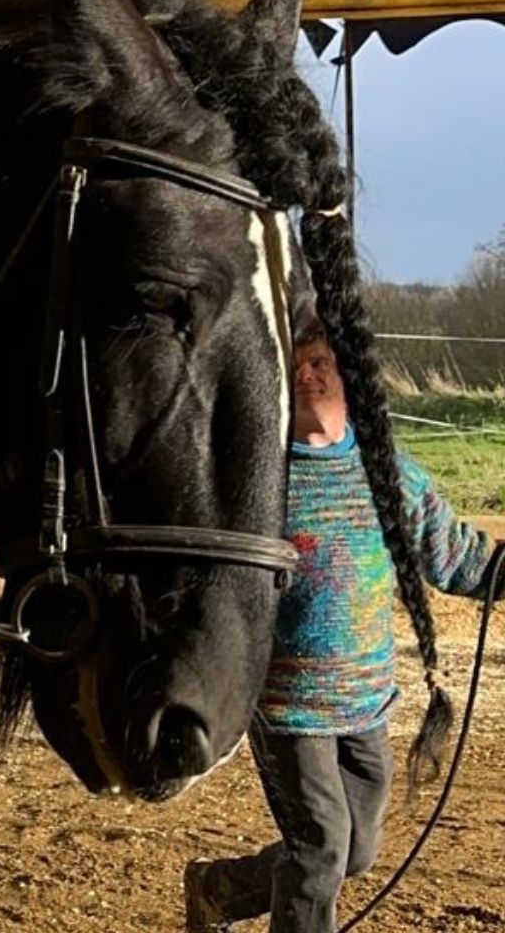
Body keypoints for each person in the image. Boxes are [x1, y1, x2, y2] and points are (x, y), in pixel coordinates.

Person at [183, 325, 495, 932]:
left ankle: (219, 889)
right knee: (321, 850)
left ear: (352, 379)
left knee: (357, 852)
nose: (307, 375)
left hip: (366, 700)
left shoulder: (392, 477)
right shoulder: (251, 484)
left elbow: (457, 557)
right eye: (295, 365)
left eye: (321, 362)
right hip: (284, 706)